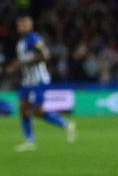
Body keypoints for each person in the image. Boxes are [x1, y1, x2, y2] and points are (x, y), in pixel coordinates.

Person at [12, 15, 75, 151]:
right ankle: (30, 140)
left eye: (23, 24)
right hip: (27, 81)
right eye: (19, 25)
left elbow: (44, 55)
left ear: (29, 25)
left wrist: (24, 62)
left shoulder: (34, 39)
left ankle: (65, 124)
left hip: (38, 80)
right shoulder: (22, 41)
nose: (20, 27)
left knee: (37, 111)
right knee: (23, 108)